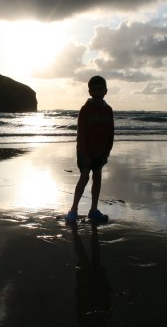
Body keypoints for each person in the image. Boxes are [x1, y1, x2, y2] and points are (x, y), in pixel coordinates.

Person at [66, 75, 114, 223]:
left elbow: (110, 133)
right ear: (89, 91)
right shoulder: (85, 109)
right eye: (94, 89)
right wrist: (85, 154)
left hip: (101, 152)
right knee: (85, 176)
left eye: (100, 89)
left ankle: (93, 209)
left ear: (105, 91)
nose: (97, 91)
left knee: (97, 177)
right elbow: (81, 134)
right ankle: (73, 209)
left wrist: (107, 152)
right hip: (85, 151)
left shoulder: (108, 110)